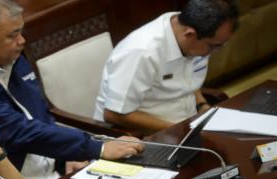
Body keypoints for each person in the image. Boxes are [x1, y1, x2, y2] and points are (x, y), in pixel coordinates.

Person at [0, 0, 143, 179]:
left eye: (20, 31)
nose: (22, 41)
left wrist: (64, 159)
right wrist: (97, 148)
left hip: (49, 168)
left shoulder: (8, 56)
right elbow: (18, 131)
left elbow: (39, 114)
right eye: (13, 35)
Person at [93, 0, 239, 135]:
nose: (216, 51)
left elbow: (187, 76)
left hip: (188, 124)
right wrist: (181, 131)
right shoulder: (142, 52)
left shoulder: (193, 36)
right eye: (214, 46)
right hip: (142, 134)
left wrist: (201, 105)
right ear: (189, 34)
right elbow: (114, 114)